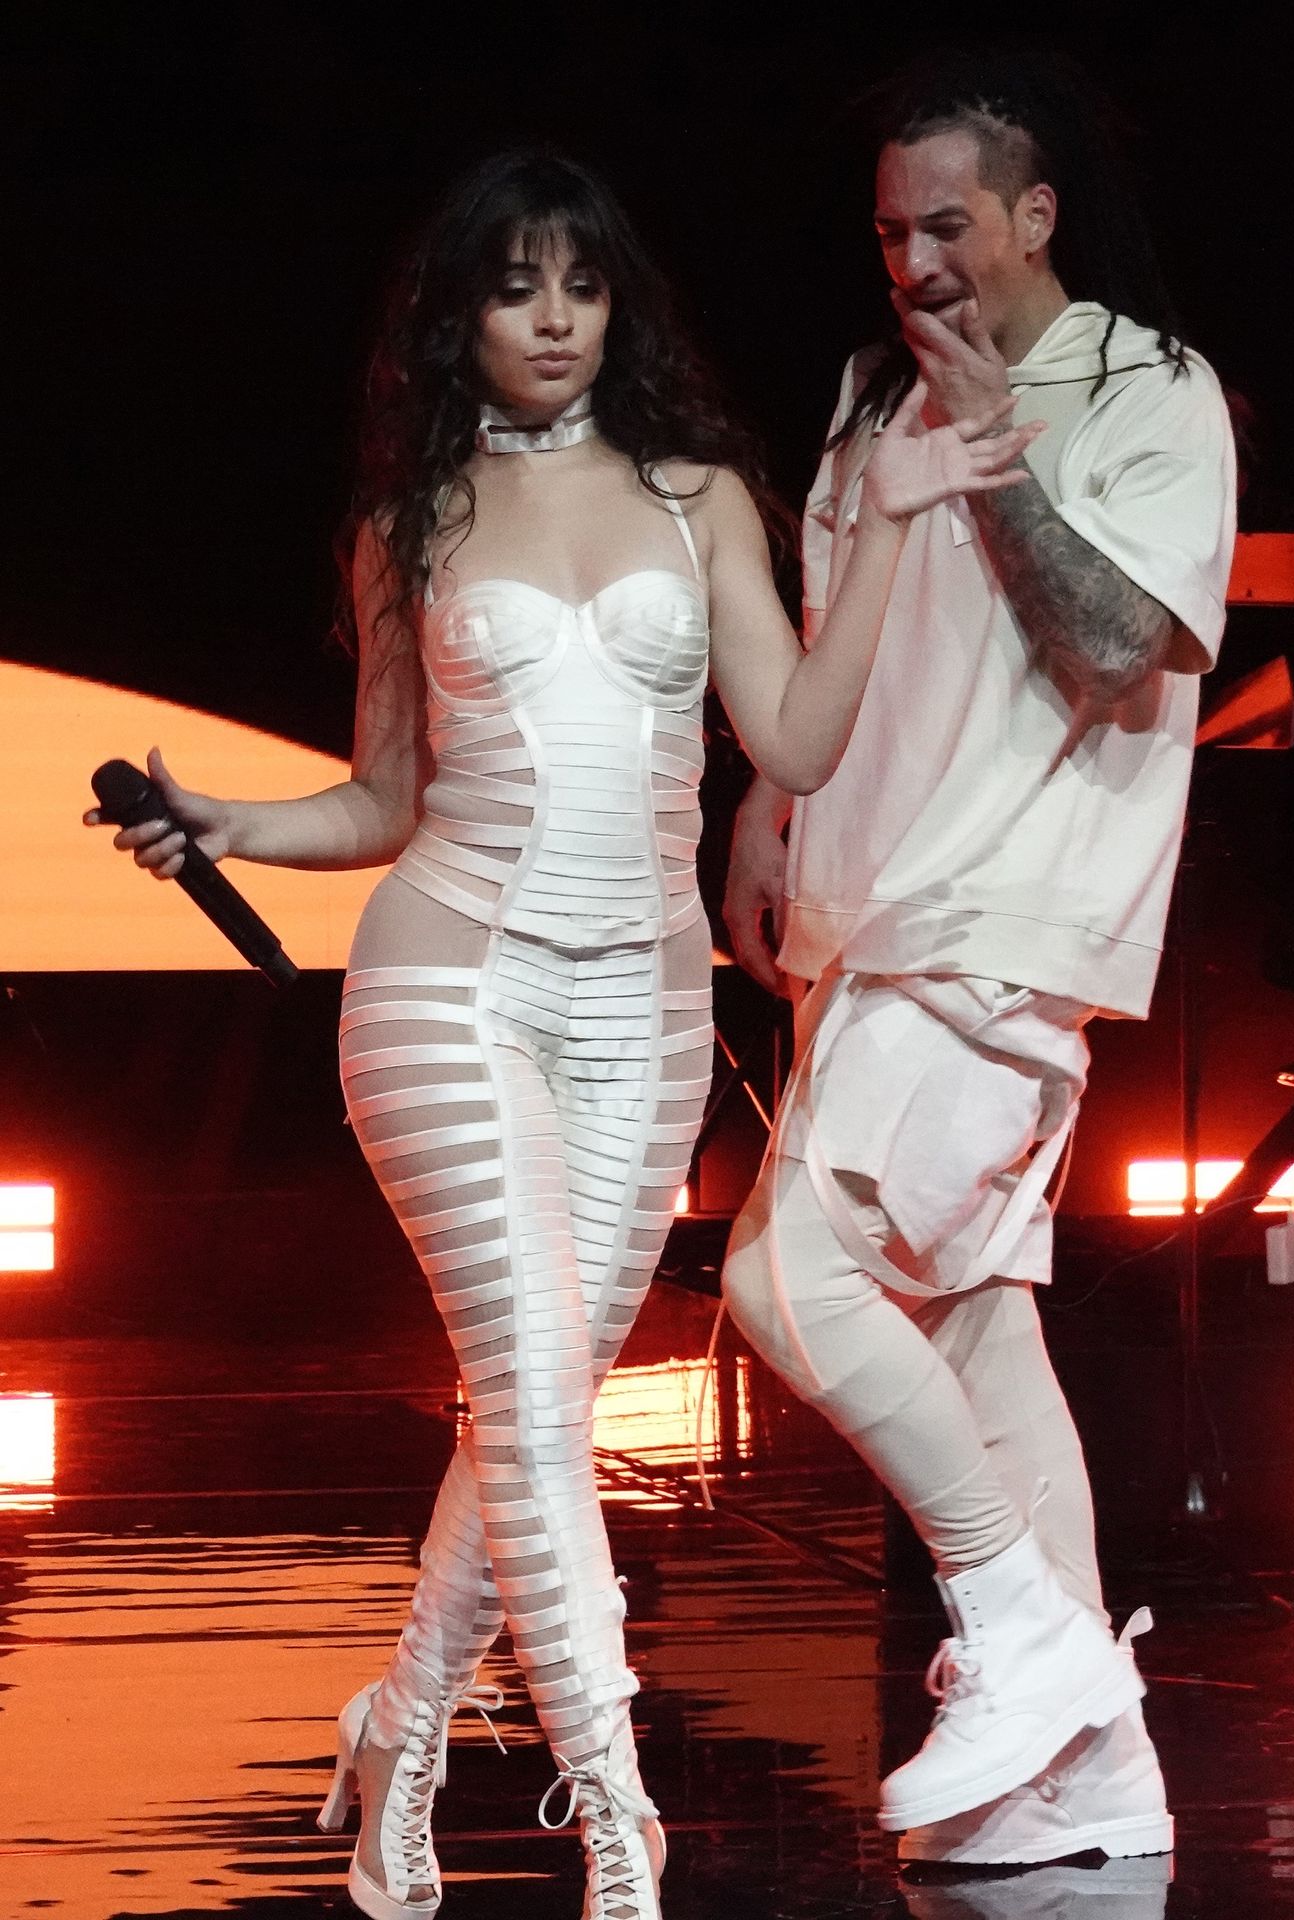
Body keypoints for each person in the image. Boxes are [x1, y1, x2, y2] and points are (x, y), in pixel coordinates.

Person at [84, 148, 1036, 1920]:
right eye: (516, 288)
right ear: (457, 315)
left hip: (645, 1004)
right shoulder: (415, 521)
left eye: (581, 288)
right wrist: (224, 822)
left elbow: (798, 742)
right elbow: (383, 800)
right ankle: (618, 1818)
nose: (551, 321)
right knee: (530, 1399)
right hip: (451, 981)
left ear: (617, 309)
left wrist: (899, 519)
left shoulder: (697, 497)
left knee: (534, 1409)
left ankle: (401, 1726)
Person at [721, 50, 1236, 1866]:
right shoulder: (869, 397)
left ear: (1034, 216)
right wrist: (769, 810)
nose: (915, 263)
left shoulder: (1150, 386)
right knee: (970, 1330)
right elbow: (837, 638)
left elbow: (1116, 649)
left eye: (947, 225)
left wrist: (990, 450)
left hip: (1001, 924)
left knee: (784, 1284)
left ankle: (1024, 1633)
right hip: (868, 918)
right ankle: (1095, 1778)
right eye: (888, 234)